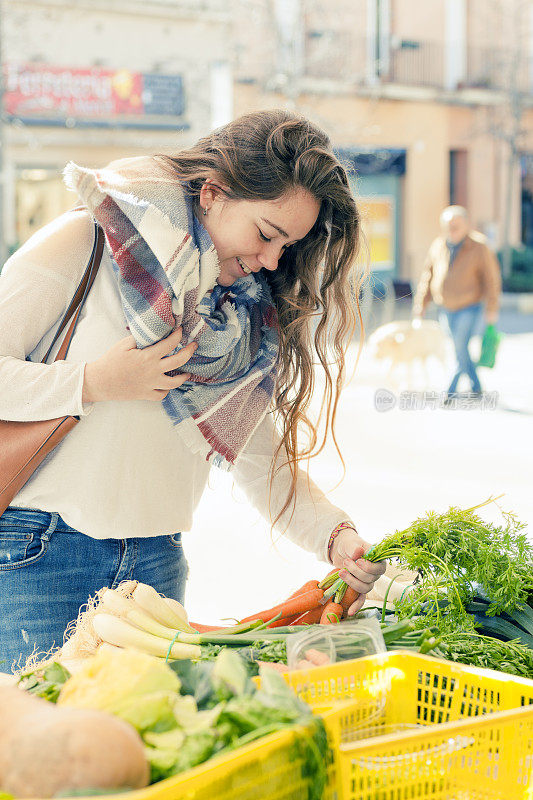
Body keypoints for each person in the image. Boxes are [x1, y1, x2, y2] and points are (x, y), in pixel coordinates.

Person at [0, 109, 385, 668]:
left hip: (156, 568)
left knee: (142, 752)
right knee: (39, 748)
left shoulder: (236, 316)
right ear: (212, 192)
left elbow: (262, 463)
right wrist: (95, 383)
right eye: (266, 234)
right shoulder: (87, 241)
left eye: (288, 246)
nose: (272, 260)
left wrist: (337, 538)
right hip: (44, 556)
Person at [413, 205, 501, 398]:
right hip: (445, 307)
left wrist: (492, 308)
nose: (452, 230)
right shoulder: (438, 244)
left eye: (456, 226)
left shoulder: (480, 246)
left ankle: (450, 390)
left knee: (459, 345)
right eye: (448, 226)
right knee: (459, 346)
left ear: (466, 225)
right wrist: (421, 306)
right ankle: (476, 386)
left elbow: (492, 279)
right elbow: (427, 276)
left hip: (470, 306)